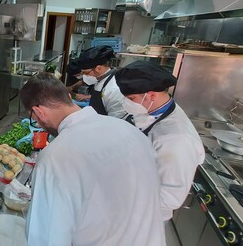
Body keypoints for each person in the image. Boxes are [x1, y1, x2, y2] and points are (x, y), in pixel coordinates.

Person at [19, 73, 165, 246]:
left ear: (38, 112)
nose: (37, 123)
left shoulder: (56, 158)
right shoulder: (130, 131)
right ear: (67, 96)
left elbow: (46, 237)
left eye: (34, 119)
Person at [115, 60, 205, 221]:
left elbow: (170, 197)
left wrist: (119, 190)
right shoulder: (147, 110)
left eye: (131, 98)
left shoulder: (176, 140)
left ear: (151, 95)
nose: (126, 103)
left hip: (140, 216)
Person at [72, 45, 127, 118]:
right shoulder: (99, 79)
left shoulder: (114, 89)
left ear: (98, 68)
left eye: (86, 73)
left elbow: (116, 122)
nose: (84, 76)